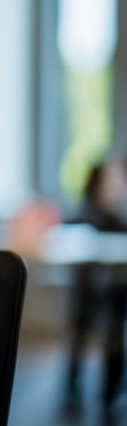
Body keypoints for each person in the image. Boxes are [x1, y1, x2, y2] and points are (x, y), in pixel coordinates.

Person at [66, 157, 127, 412]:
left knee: (113, 336)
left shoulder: (117, 214)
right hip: (91, 286)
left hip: (116, 286)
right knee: (84, 332)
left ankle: (109, 394)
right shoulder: (89, 213)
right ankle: (78, 389)